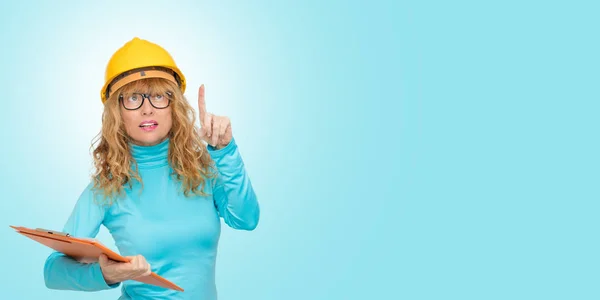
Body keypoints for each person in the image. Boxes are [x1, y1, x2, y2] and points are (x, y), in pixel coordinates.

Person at [42, 37, 260, 299]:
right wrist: (106, 275)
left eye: (159, 95)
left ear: (174, 106)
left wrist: (226, 151)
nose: (147, 109)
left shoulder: (204, 170)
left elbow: (246, 219)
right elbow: (52, 271)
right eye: (133, 98)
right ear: (117, 112)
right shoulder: (106, 188)